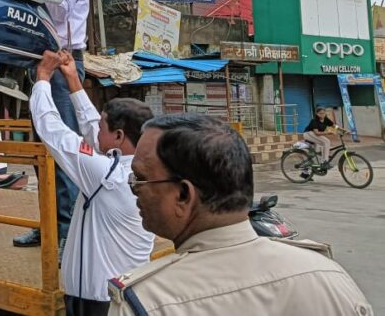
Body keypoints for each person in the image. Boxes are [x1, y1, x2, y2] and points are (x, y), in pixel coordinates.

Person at [108, 113, 372, 315]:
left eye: (140, 179)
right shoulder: (328, 275)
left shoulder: (145, 301)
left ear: (184, 195)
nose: (135, 190)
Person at [31, 51, 154, 316]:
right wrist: (73, 79)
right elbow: (92, 129)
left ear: (119, 136)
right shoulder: (133, 167)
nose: (95, 131)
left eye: (103, 126)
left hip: (102, 305)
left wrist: (42, 79)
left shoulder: (107, 176)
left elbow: (52, 130)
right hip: (118, 296)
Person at [14, 0, 89, 250]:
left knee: (64, 149)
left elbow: (61, 7)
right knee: (43, 150)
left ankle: (69, 235)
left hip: (63, 63)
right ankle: (49, 226)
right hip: (40, 65)